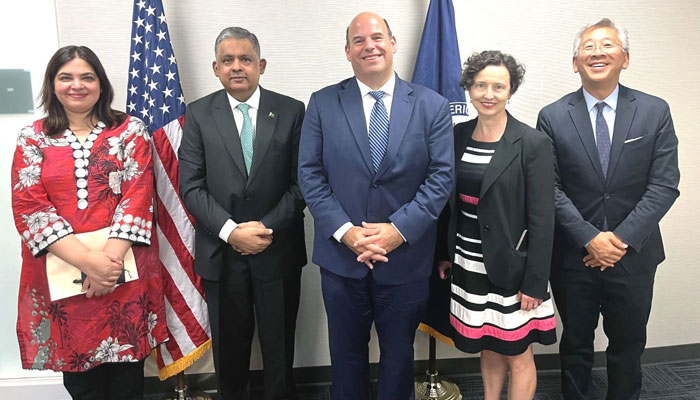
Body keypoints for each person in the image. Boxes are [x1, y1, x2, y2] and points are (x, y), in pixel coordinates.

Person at [298, 11, 454, 400]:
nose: (369, 45)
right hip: (341, 257)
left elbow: (441, 178)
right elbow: (310, 175)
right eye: (359, 40)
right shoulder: (322, 103)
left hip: (405, 259)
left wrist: (396, 231)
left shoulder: (432, 106)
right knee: (346, 357)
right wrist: (347, 232)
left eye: (377, 37)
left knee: (399, 357)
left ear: (393, 43)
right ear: (347, 52)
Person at [10, 45, 167, 399]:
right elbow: (30, 207)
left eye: (87, 77)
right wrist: (89, 265)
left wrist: (106, 266)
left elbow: (139, 195)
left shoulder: (130, 130)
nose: (76, 85)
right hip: (64, 278)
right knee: (83, 386)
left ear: (101, 84)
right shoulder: (33, 138)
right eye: (66, 77)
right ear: (53, 84)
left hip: (122, 274)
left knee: (128, 380)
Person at [536, 18, 680, 399]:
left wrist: (618, 240)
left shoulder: (654, 111)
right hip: (573, 256)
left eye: (607, 45)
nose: (597, 52)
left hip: (633, 255)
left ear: (625, 59)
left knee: (628, 345)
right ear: (574, 62)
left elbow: (664, 185)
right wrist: (589, 239)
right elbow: (547, 188)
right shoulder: (552, 116)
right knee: (576, 344)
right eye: (588, 47)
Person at [178, 27, 306, 400]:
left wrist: (264, 228)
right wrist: (232, 231)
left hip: (277, 249)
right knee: (230, 350)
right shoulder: (199, 114)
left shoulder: (291, 110)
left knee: (279, 347)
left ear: (261, 65)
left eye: (245, 59)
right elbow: (191, 186)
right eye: (228, 60)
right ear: (215, 68)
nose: (237, 67)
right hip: (222, 252)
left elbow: (303, 184)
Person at [435, 50, 556, 400]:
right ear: (469, 89)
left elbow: (543, 218)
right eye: (480, 85)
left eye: (498, 87)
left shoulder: (532, 143)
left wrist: (535, 281)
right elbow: (449, 202)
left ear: (510, 91)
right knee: (488, 342)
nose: (488, 94)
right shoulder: (457, 136)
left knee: (518, 351)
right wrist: (445, 254)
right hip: (469, 261)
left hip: (513, 268)